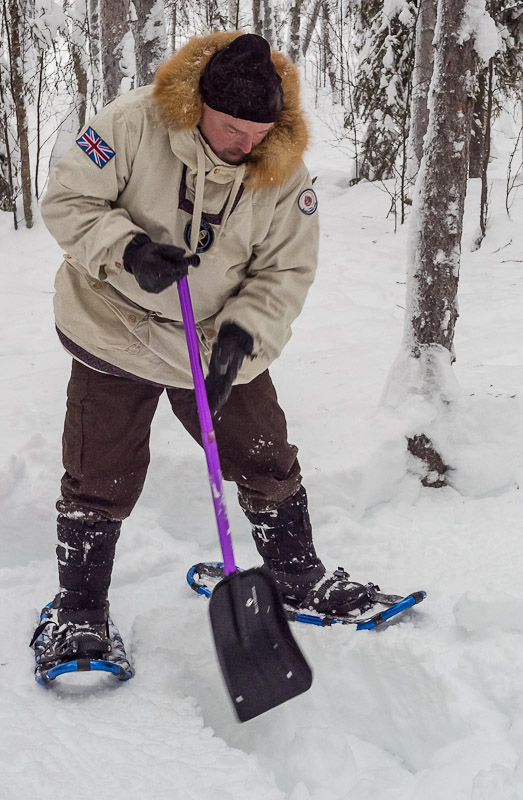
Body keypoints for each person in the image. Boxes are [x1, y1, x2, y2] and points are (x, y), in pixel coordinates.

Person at [35, 32, 374, 667]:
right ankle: (80, 609)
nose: (249, 144)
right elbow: (68, 201)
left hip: (214, 337)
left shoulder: (282, 172)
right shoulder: (132, 123)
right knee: (99, 474)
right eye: (233, 127)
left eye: (261, 130)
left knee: (265, 454)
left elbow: (284, 273)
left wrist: (243, 338)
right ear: (199, 106)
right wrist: (129, 250)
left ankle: (298, 577)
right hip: (114, 323)